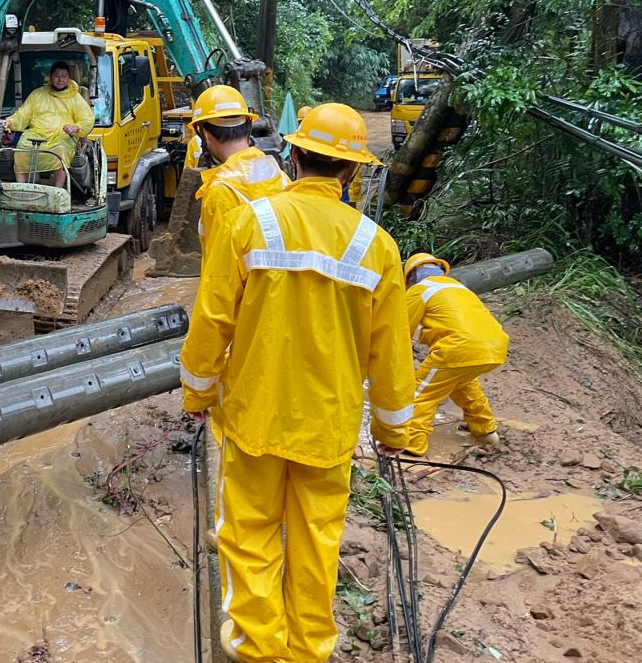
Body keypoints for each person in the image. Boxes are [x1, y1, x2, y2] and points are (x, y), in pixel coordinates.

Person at [180, 103, 416, 663]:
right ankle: (309, 649)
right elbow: (391, 355)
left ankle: (258, 646)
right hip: (327, 426)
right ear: (351, 171)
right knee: (316, 540)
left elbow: (211, 320)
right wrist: (393, 431)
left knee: (249, 532)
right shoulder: (377, 245)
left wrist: (198, 393)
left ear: (294, 155)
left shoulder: (249, 223)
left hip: (256, 414)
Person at [403, 252, 510, 454]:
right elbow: (449, 324)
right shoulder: (459, 289)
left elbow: (399, 328)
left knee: (420, 393)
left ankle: (411, 443)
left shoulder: (420, 289)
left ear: (411, 277)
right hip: (494, 347)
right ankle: (486, 432)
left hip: (457, 348)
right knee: (465, 385)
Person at [190, 84, 289, 255]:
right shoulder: (281, 178)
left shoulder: (221, 191)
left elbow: (220, 265)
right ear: (249, 125)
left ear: (204, 134)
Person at [3, 60, 94, 188]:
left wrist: (76, 127)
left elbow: (87, 118)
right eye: (57, 76)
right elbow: (23, 114)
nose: (60, 79)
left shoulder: (75, 97)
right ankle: (21, 188)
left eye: (64, 76)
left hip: (62, 135)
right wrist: (10, 121)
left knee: (60, 150)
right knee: (22, 148)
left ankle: (58, 190)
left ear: (69, 78)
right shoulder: (37, 94)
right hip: (36, 133)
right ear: (50, 77)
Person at [295, 104, 364, 207]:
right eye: (301, 121)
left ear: (294, 153)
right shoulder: (361, 222)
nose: (302, 123)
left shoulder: (270, 209)